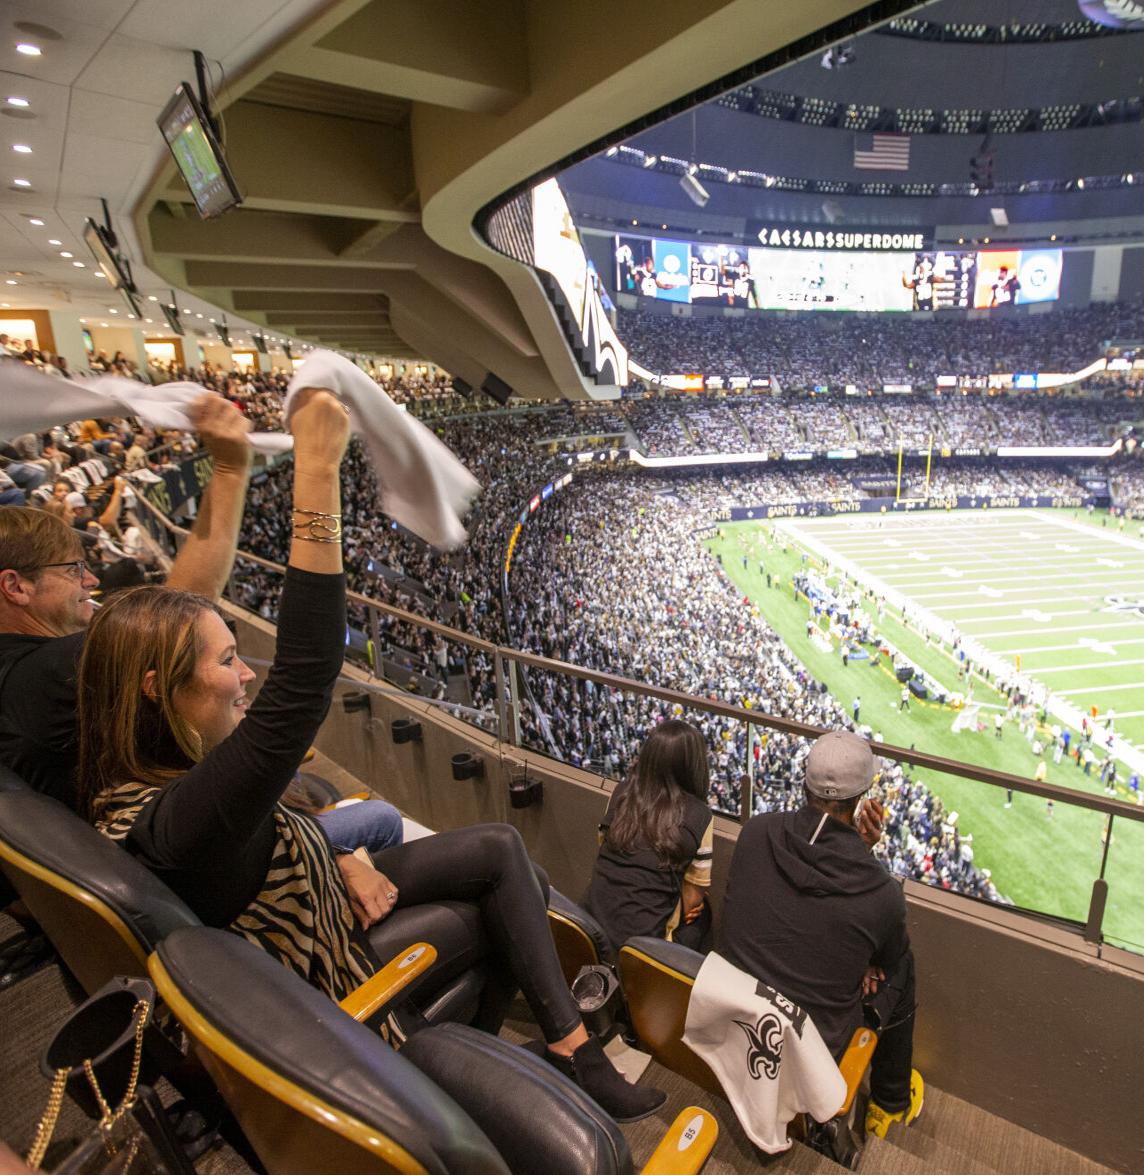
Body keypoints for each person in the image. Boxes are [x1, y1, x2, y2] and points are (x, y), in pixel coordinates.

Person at [75, 391, 664, 1123]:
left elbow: (250, 830)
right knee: (497, 902)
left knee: (508, 851)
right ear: (159, 688)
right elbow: (304, 673)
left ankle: (568, 1049)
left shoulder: (153, 772)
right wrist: (317, 469)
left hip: (310, 890)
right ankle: (467, 1084)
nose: (245, 673)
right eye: (228, 659)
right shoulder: (179, 818)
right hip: (323, 971)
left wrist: (337, 854)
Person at [1, 395, 254, 806]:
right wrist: (229, 469)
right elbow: (182, 612)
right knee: (381, 821)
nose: (91, 579)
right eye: (73, 570)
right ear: (16, 587)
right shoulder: (43, 677)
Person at [718, 731, 923, 1139]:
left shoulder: (756, 832)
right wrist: (863, 855)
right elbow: (885, 953)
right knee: (903, 967)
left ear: (803, 784)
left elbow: (806, 903)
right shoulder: (881, 893)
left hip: (732, 1025)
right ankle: (890, 1102)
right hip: (807, 1059)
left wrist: (856, 851)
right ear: (862, 801)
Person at [584, 718, 715, 955]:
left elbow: (604, 846)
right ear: (694, 766)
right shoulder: (700, 815)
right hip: (640, 956)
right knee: (704, 914)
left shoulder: (621, 792)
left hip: (588, 935)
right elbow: (690, 905)